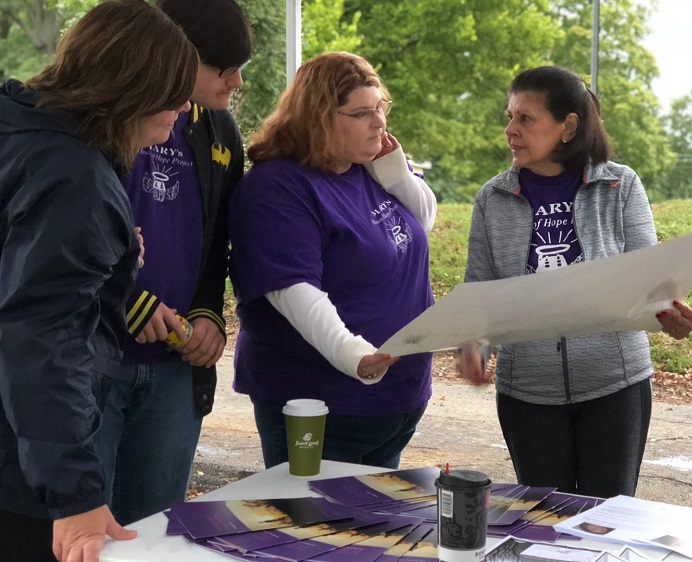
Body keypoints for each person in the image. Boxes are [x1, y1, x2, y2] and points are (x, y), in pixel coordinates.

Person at [0, 1, 199, 560]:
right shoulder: (74, 175)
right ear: (133, 87)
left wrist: (111, 258)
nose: (185, 108)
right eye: (174, 92)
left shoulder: (23, 131)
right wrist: (74, 495)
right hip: (23, 466)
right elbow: (43, 336)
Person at [458, 66, 692, 498]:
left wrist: (670, 316)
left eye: (525, 119)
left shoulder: (620, 186)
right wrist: (474, 346)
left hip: (615, 387)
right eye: (509, 117)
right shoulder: (491, 199)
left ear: (568, 125)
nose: (510, 130)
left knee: (605, 524)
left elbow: (651, 283)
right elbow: (480, 294)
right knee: (544, 524)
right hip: (527, 394)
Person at [229, 52, 437, 470]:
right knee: (316, 530)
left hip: (393, 402)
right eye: (362, 113)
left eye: (381, 107)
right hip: (325, 404)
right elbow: (292, 290)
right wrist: (352, 353)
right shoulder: (277, 187)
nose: (379, 122)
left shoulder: (367, 164)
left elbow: (423, 220)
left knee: (375, 532)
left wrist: (395, 169)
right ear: (319, 118)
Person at [92, 0, 252, 526]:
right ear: (173, 52)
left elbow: (217, 243)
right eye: (222, 67)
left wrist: (209, 313)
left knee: (156, 531)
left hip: (173, 372)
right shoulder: (99, 118)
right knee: (86, 529)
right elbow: (69, 243)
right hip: (95, 362)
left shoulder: (222, 133)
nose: (235, 82)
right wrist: (129, 301)